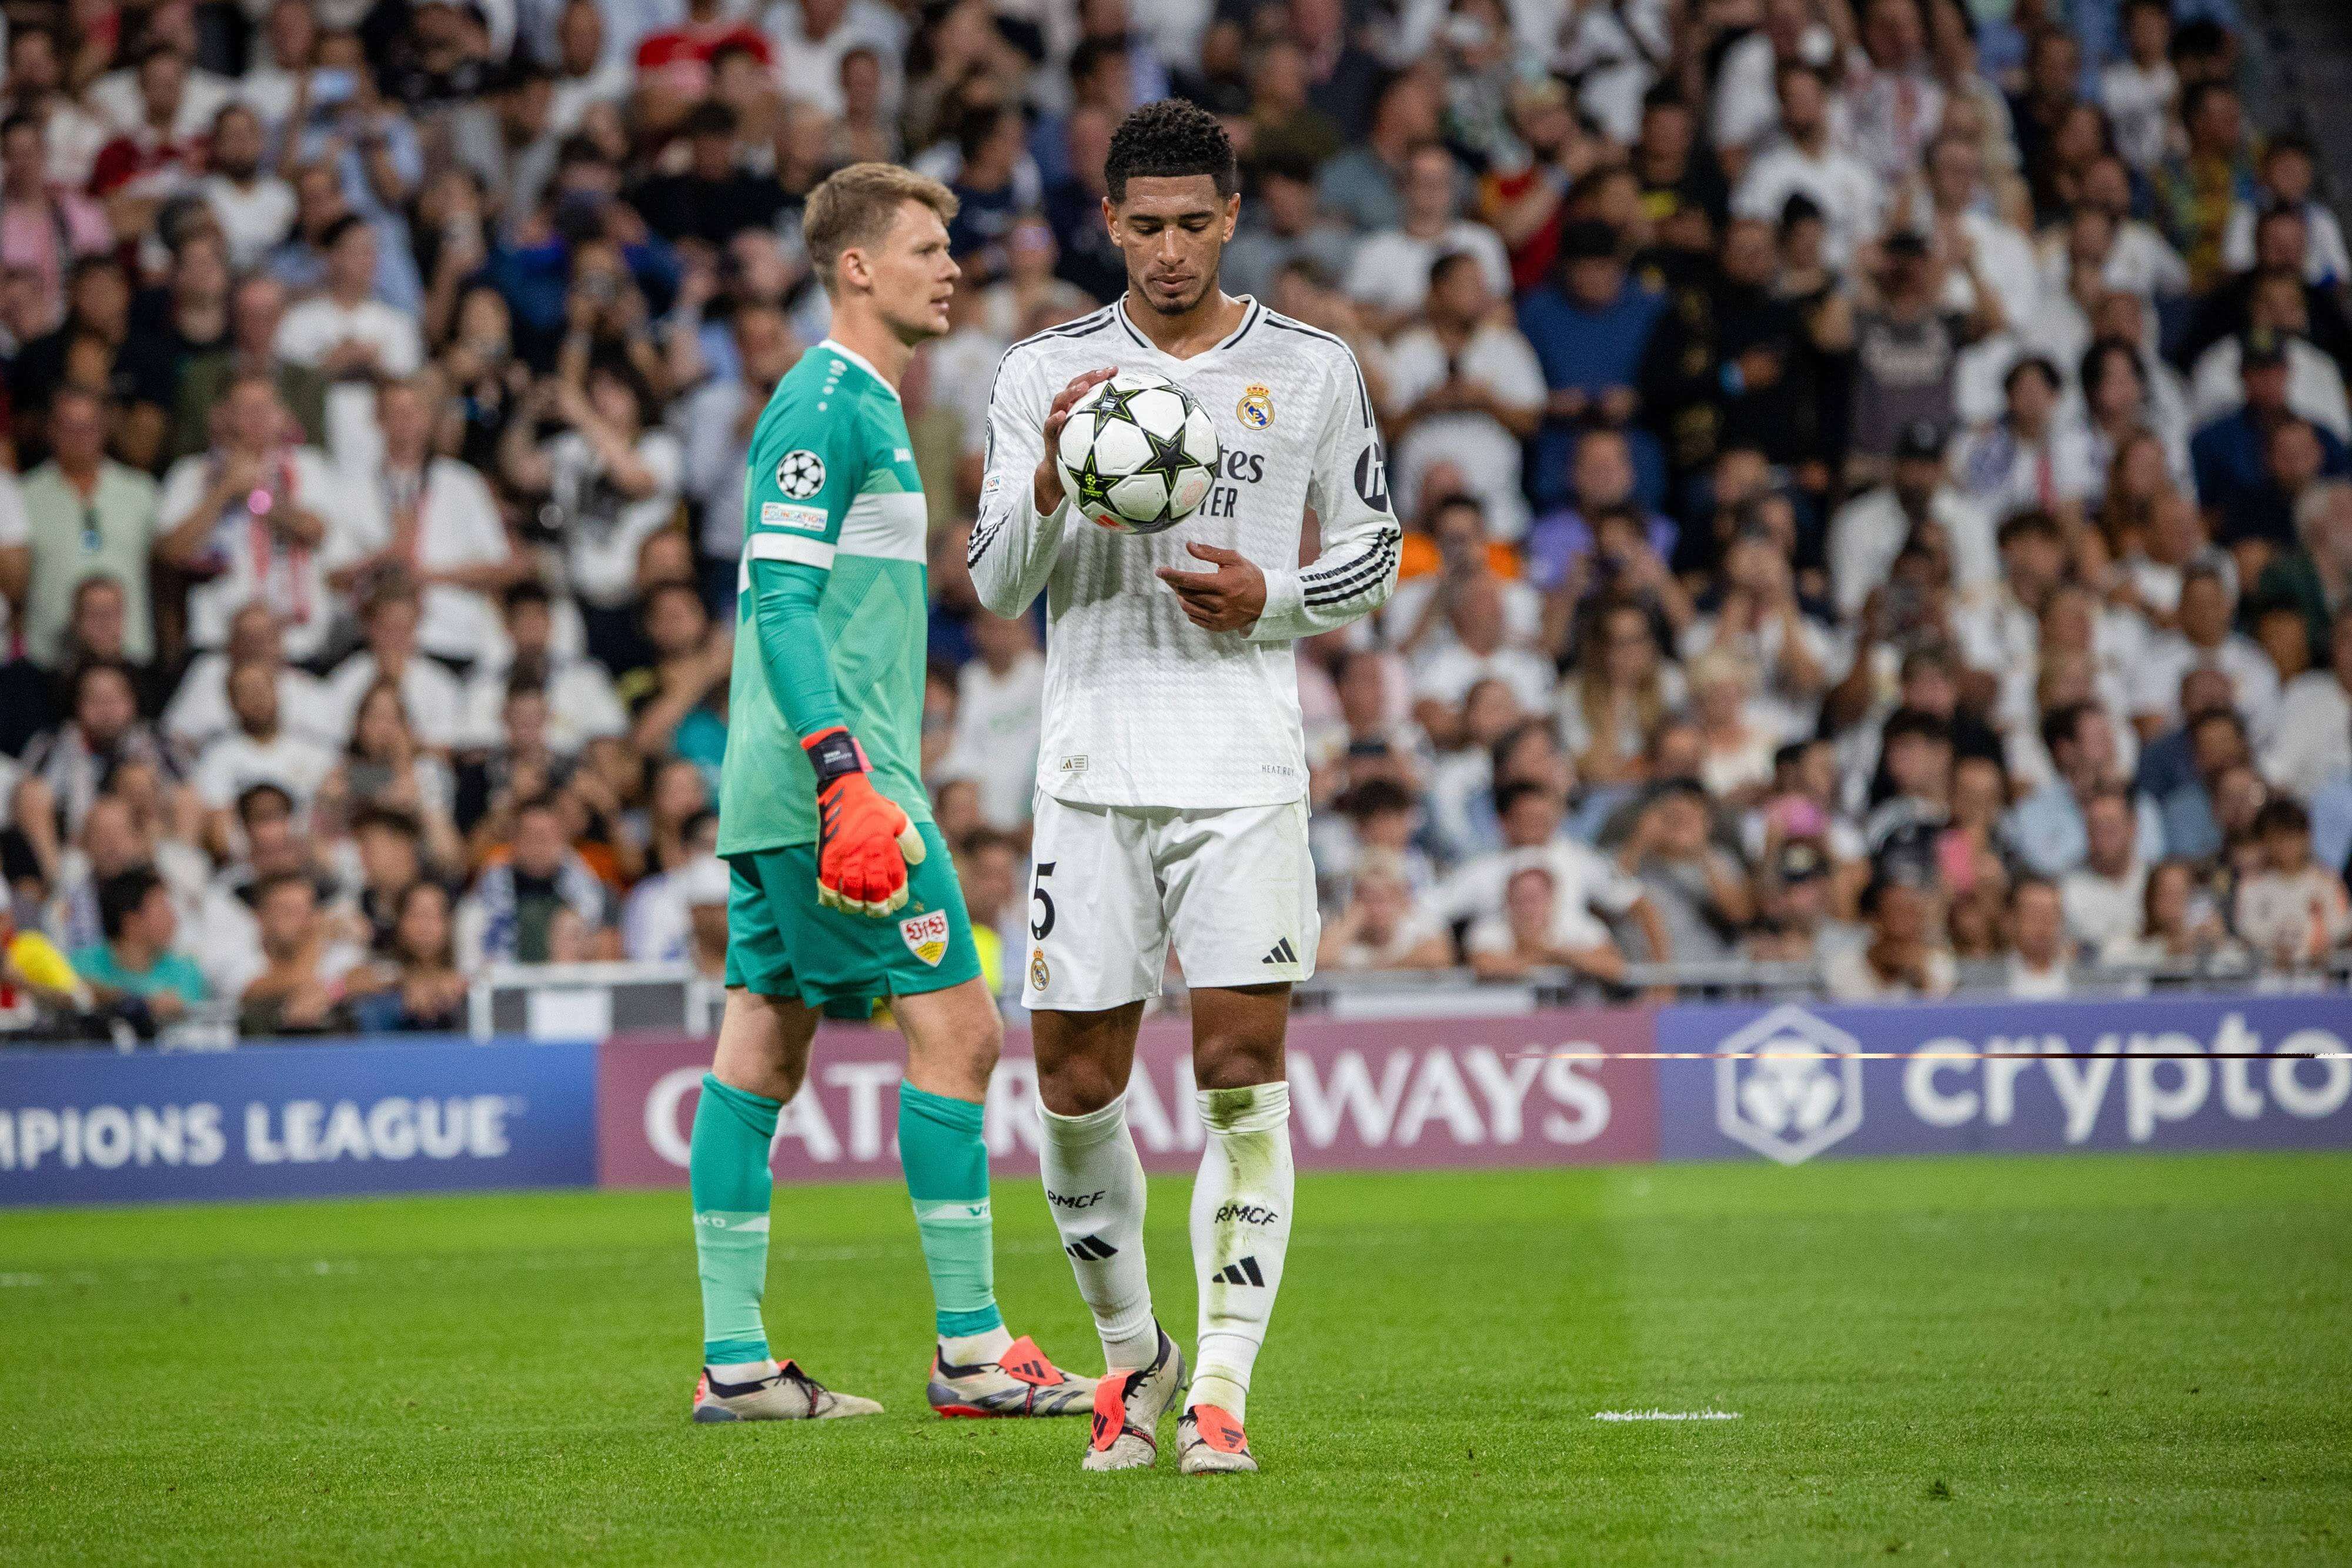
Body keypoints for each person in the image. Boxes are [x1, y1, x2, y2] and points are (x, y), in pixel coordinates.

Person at [970, 102, 1402, 1476]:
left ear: (1231, 221)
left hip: (1240, 772)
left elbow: (1379, 549)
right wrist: (1047, 480)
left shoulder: (1314, 369)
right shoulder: (1040, 371)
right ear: (1107, 225)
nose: (1167, 252)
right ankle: (1127, 1359)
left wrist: (1269, 595)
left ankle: (1218, 1388)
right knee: (1072, 1083)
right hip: (1091, 773)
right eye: (1143, 227)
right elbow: (989, 582)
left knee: (1236, 1077)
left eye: (1192, 225)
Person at [689, 162, 1095, 1431]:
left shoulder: (859, 405)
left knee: (761, 1042)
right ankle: (972, 1351)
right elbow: (779, 600)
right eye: (925, 247)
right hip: (837, 785)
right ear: (855, 266)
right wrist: (841, 773)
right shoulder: (826, 404)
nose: (950, 266)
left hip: (794, 780)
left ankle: (737, 1364)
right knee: (962, 1035)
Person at [71, 865, 206, 1028]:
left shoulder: (186, 972)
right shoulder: (81, 965)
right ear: (132, 922)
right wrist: (134, 1002)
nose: (173, 917)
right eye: (161, 908)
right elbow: (61, 992)